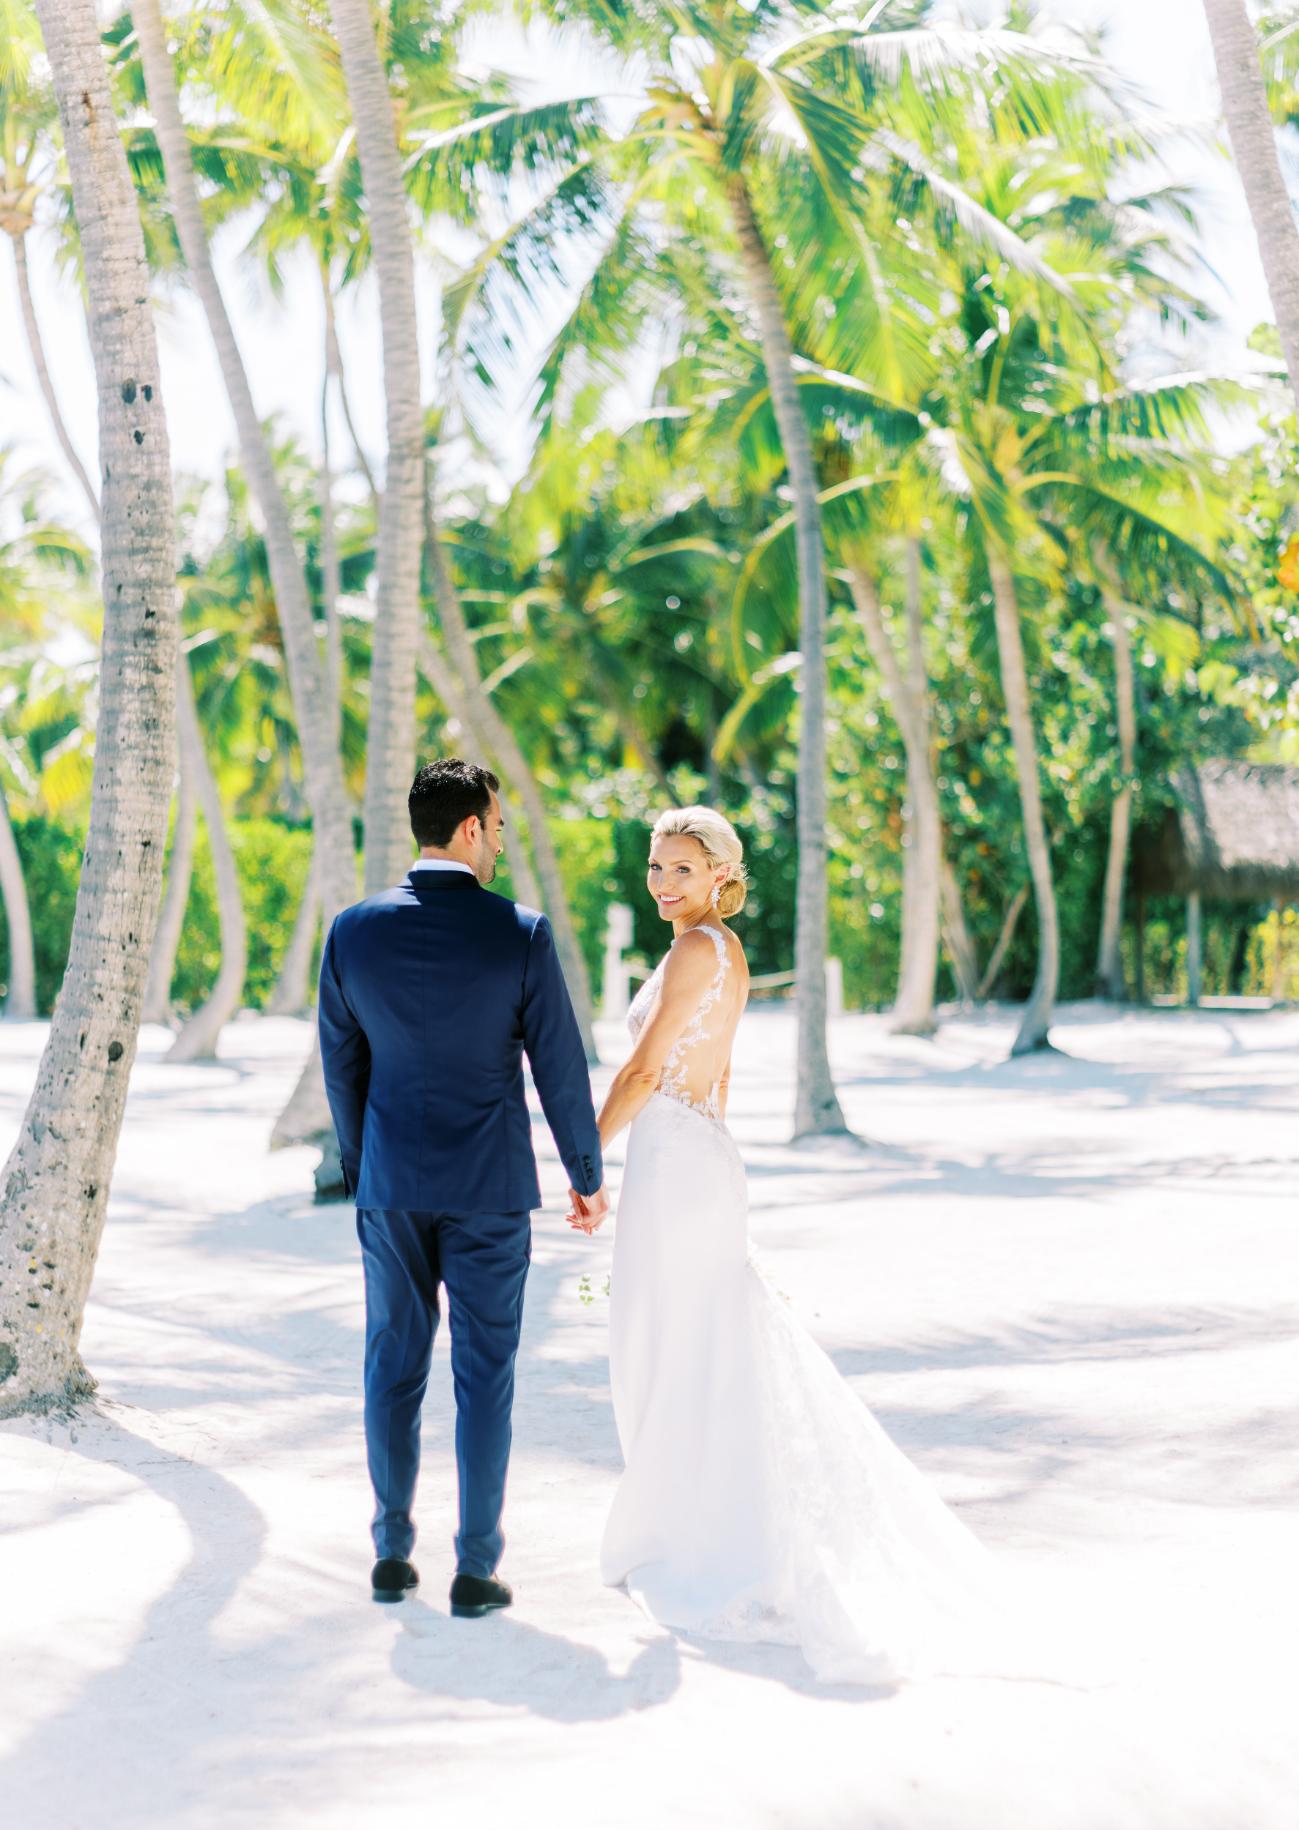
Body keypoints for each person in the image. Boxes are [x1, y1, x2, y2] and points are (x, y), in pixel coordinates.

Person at [572, 805, 1013, 1685]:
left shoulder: (698, 951)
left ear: (721, 877)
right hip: (692, 1156)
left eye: (682, 870)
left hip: (674, 1159)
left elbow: (645, 1068)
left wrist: (586, 1164)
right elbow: (718, 1073)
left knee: (672, 1344)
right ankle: (689, 1515)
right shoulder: (721, 953)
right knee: (694, 1343)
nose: (664, 882)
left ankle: (690, 1531)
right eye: (657, 867)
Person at [320, 759, 607, 1615]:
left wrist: (359, 1164)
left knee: (391, 1364)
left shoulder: (352, 932)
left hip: (391, 1185)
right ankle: (476, 1570)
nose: (502, 844)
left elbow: (342, 1066)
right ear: (473, 827)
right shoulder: (519, 932)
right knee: (485, 1375)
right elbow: (559, 1069)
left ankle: (390, 1554)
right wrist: (585, 1175)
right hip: (488, 1188)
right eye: (500, 827)